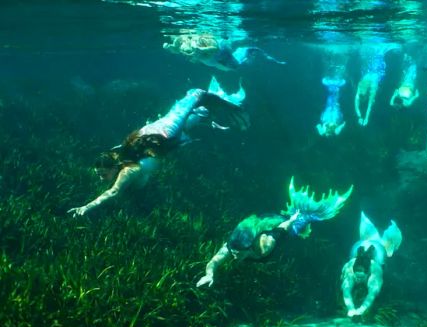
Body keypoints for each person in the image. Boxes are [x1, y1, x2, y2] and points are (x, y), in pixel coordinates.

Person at [67, 77, 249, 217]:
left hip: (167, 132)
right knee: (197, 117)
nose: (101, 179)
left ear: (114, 167)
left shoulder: (130, 169)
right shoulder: (118, 153)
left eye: (103, 175)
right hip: (163, 135)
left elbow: (197, 93)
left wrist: (229, 107)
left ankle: (228, 101)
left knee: (196, 102)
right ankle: (213, 109)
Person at [196, 177, 353, 287]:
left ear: (249, 246)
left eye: (239, 252)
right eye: (234, 251)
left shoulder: (265, 246)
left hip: (279, 226)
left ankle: (307, 212)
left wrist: (294, 219)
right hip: (258, 223)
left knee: (303, 222)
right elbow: (214, 261)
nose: (235, 255)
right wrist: (209, 274)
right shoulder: (232, 247)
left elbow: (281, 229)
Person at [340, 212, 402, 317]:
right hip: (363, 246)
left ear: (367, 271)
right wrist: (351, 309)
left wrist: (360, 310)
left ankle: (385, 234)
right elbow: (345, 290)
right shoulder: (350, 268)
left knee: (387, 252)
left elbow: (371, 295)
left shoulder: (375, 269)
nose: (359, 278)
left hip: (377, 251)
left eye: (361, 276)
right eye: (357, 275)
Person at [163, 33, 285, 72]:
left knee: (236, 57)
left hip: (221, 51)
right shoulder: (186, 46)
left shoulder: (201, 43)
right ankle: (249, 49)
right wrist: (171, 48)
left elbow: (214, 48)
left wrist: (202, 50)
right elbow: (178, 49)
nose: (186, 54)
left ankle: (253, 44)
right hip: (217, 60)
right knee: (235, 66)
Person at [355, 49, 387, 127]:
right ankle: (379, 52)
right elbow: (358, 106)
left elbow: (367, 106)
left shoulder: (369, 89)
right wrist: (363, 117)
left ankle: (379, 51)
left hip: (373, 75)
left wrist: (364, 118)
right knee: (375, 61)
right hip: (370, 74)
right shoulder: (360, 91)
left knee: (376, 62)